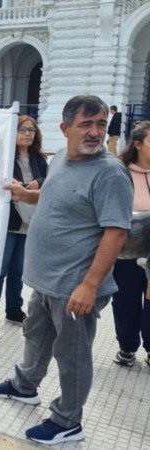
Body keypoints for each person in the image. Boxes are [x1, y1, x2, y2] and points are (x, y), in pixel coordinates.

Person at [0, 95, 133, 445]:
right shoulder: (63, 157)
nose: (95, 132)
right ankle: (24, 386)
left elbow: (116, 232)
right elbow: (52, 197)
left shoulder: (110, 174)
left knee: (72, 355)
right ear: (65, 129)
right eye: (86, 124)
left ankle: (68, 420)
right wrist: (23, 193)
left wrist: (89, 286)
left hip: (75, 287)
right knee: (36, 336)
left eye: (101, 124)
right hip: (46, 279)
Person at [0, 115, 47, 332]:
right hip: (9, 221)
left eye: (31, 130)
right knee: (0, 270)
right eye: (23, 129)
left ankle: (14, 309)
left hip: (30, 222)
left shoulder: (39, 159)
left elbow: (49, 181)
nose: (28, 133)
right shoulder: (3, 158)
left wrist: (38, 183)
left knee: (18, 270)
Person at [111, 121, 150, 367]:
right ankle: (127, 346)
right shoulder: (119, 171)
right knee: (126, 298)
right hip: (126, 248)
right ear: (137, 144)